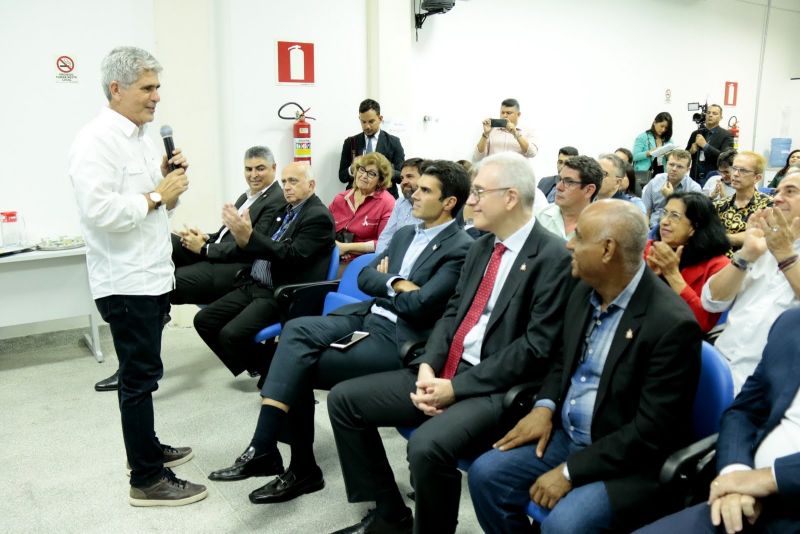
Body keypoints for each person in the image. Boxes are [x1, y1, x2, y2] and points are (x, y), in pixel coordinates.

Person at [327, 152, 575, 534]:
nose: (470, 201)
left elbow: (534, 348)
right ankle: (390, 516)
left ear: (510, 197)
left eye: (479, 192)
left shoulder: (553, 256)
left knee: (426, 447)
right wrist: (429, 364)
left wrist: (455, 388)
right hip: (446, 369)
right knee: (345, 401)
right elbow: (453, 313)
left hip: (494, 387)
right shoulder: (481, 247)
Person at [207, 161, 474, 506]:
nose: (413, 194)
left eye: (425, 190)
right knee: (295, 332)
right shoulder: (406, 234)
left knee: (295, 365)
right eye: (416, 187)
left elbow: (421, 305)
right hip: (367, 315)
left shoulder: (460, 247)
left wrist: (386, 281)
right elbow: (365, 277)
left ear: (449, 202)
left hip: (399, 336)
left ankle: (290, 463)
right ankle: (267, 448)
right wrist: (396, 282)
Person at [468, 200, 702, 533]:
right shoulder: (583, 289)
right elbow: (562, 358)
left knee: (564, 525)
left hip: (628, 460)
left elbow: (651, 432)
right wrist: (545, 407)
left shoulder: (670, 324)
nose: (569, 244)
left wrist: (570, 471)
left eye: (579, 236)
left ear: (607, 250)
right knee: (486, 476)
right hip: (569, 434)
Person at [68, 46, 207, 506]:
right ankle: (146, 480)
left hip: (150, 276)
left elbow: (159, 206)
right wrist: (156, 194)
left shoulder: (142, 138)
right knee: (138, 379)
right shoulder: (96, 141)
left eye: (157, 87)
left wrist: (168, 185)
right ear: (116, 88)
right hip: (125, 281)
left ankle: (147, 448)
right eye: (147, 88)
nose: (156, 97)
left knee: (146, 374)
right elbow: (100, 210)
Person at [634, 307, 800, 534]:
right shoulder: (792, 324)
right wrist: (735, 471)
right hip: (744, 501)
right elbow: (743, 411)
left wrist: (770, 479)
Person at [193, 162, 335, 379]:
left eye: (293, 181)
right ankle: (263, 365)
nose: (287, 187)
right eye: (284, 181)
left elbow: (291, 255)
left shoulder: (318, 217)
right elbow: (259, 244)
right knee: (204, 321)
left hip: (281, 291)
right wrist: (241, 237)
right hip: (255, 284)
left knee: (231, 334)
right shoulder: (283, 210)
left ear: (311, 185)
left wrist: (250, 236)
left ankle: (273, 371)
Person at [701, 169, 800, 393]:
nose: (777, 198)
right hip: (721, 364)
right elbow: (711, 300)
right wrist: (745, 255)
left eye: (790, 191)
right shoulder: (763, 244)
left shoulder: (780, 248)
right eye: (777, 192)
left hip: (771, 385)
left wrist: (785, 255)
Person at [170, 146, 287, 305]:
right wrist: (206, 237)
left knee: (169, 281)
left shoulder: (277, 200)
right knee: (168, 242)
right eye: (248, 169)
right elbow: (226, 235)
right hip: (218, 254)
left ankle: (157, 313)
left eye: (260, 169)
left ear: (273, 168)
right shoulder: (247, 196)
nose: (253, 175)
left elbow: (252, 246)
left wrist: (205, 248)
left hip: (233, 267)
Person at [645, 192, 731, 332]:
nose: (664, 221)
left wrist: (673, 275)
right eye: (664, 213)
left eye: (674, 216)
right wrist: (648, 275)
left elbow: (701, 324)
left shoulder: (718, 265)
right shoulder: (650, 249)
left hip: (680, 337)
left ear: (694, 227)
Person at [329, 152, 395, 270]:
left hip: (363, 263)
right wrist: (335, 247)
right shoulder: (340, 198)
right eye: (362, 169)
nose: (364, 175)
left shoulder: (387, 202)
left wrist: (346, 248)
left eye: (371, 173)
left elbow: (383, 243)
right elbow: (324, 229)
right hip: (332, 256)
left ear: (380, 180)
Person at [338, 99, 405, 194]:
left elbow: (401, 176)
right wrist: (352, 168)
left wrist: (382, 169)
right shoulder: (350, 142)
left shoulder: (394, 142)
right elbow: (342, 177)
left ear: (380, 119)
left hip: (385, 196)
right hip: (357, 196)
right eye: (363, 122)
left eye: (371, 121)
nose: (367, 126)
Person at [714, 151, 773, 256]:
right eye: (734, 169)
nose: (735, 174)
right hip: (719, 261)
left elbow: (759, 235)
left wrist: (722, 238)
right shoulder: (719, 205)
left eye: (743, 171)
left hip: (750, 262)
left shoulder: (768, 205)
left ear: (757, 178)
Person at [537, 155, 602, 241]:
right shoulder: (541, 216)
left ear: (588, 190)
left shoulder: (602, 228)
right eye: (559, 179)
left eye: (569, 182)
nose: (558, 187)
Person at [375, 157, 431, 254]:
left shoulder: (432, 206)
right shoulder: (400, 203)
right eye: (402, 178)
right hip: (393, 257)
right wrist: (380, 259)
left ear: (424, 179)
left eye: (409, 176)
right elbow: (386, 237)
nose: (403, 182)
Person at [642, 150, 702, 227]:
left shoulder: (694, 188)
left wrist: (671, 196)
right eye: (671, 164)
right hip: (652, 227)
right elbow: (645, 212)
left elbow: (693, 218)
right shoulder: (655, 182)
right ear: (666, 164)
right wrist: (646, 232)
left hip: (678, 229)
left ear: (687, 170)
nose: (674, 169)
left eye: (679, 166)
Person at [474, 98, 538, 161]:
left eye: (508, 113)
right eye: (502, 112)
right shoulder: (491, 130)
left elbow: (532, 153)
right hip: (494, 167)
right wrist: (485, 134)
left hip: (516, 168)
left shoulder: (528, 131)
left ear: (518, 114)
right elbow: (478, 157)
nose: (504, 116)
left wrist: (516, 133)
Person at [686, 104, 734, 185]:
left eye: (714, 113)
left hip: (714, 178)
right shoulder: (696, 133)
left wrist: (705, 146)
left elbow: (726, 158)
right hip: (694, 178)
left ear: (721, 117)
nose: (710, 115)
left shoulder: (726, 135)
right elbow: (685, 155)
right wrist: (690, 151)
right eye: (708, 113)